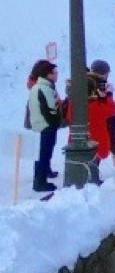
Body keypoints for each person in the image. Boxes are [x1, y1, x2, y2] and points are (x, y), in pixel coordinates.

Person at [24, 58, 62, 193]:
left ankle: (41, 178)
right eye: (54, 72)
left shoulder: (39, 87)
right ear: (48, 74)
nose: (57, 74)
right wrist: (56, 122)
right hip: (46, 126)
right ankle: (40, 182)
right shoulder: (44, 89)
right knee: (45, 154)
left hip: (41, 125)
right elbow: (50, 110)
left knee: (43, 153)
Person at [86, 60, 115, 172]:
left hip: (97, 120)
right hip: (103, 120)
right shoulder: (98, 84)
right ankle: (94, 174)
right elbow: (108, 106)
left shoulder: (89, 82)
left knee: (107, 146)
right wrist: (108, 94)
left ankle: (94, 172)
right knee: (113, 146)